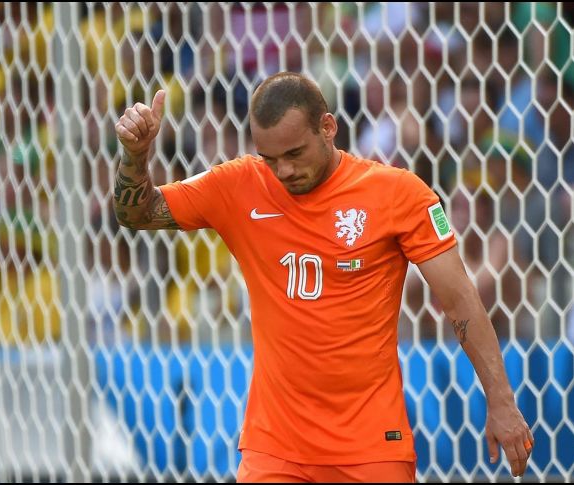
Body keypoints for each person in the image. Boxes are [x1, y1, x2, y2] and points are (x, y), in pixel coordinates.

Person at [112, 72, 532, 482]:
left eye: (295, 153)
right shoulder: (238, 185)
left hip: (370, 447)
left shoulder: (398, 194)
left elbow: (459, 300)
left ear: (328, 127)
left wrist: (501, 401)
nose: (283, 171)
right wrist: (135, 155)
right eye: (270, 158)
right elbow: (138, 213)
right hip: (275, 450)